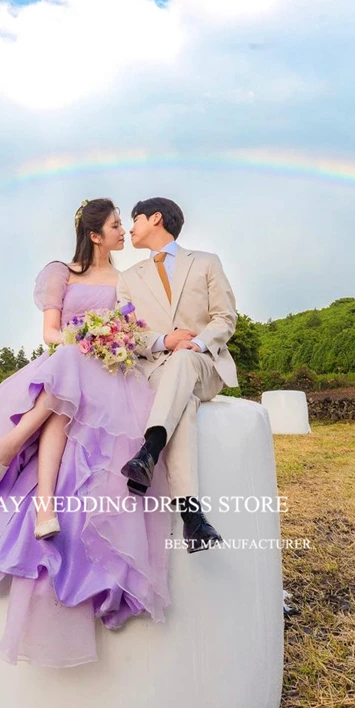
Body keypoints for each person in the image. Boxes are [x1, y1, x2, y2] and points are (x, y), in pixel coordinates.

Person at [0, 198, 172, 667]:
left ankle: (13, 456)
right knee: (64, 383)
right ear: (95, 234)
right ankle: (41, 505)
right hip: (70, 360)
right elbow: (51, 333)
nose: (124, 232)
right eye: (117, 225)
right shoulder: (63, 272)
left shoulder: (126, 279)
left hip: (108, 370)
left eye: (125, 224)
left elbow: (132, 329)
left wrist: (106, 341)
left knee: (65, 389)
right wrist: (86, 339)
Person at [116, 197, 239, 552]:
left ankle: (149, 450)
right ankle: (192, 517)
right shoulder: (128, 278)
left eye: (134, 220)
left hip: (204, 364)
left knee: (184, 366)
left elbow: (225, 317)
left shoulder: (206, 262)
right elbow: (126, 331)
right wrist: (163, 340)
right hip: (156, 368)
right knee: (180, 404)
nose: (129, 228)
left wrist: (197, 343)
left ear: (155, 218)